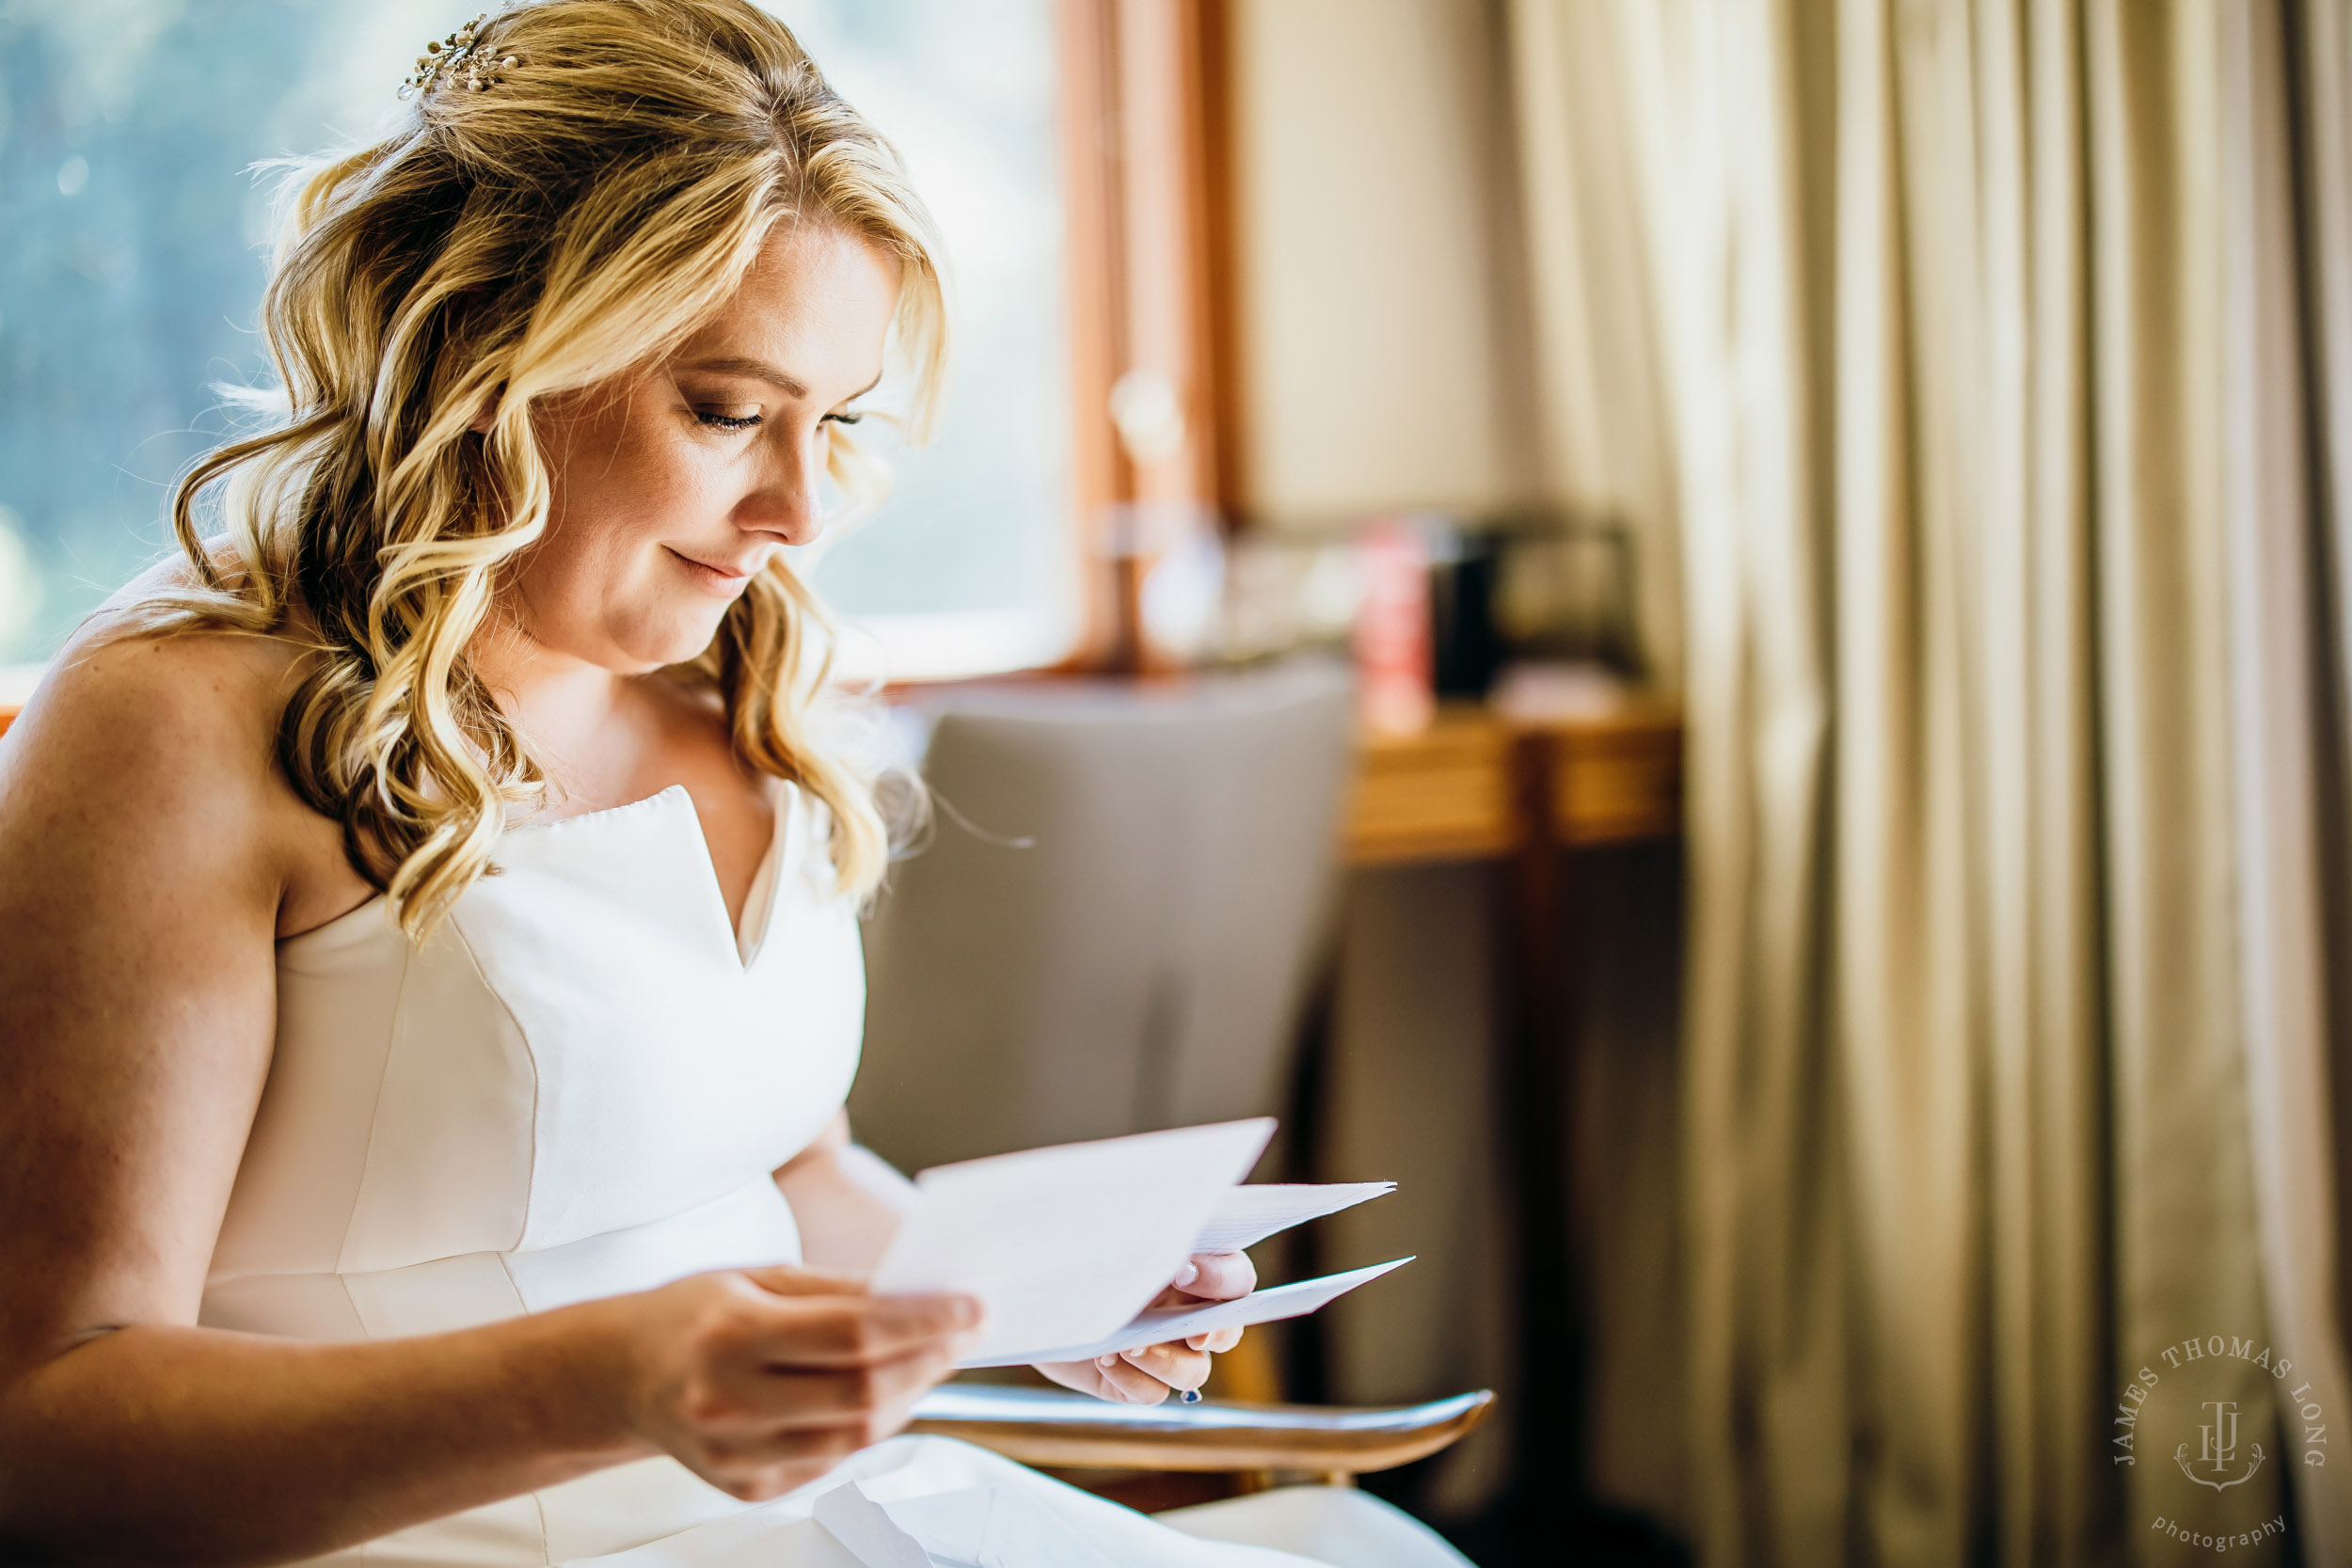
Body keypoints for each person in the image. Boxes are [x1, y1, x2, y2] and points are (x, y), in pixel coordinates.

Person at [0, 3, 1475, 1564]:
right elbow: (46, 1428)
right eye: (725, 412)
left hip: (813, 1509)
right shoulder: (176, 721)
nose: (798, 508)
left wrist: (1025, 1293)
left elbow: (783, 1176)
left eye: (834, 425)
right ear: (488, 345)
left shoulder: (738, 686)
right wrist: (604, 1384)